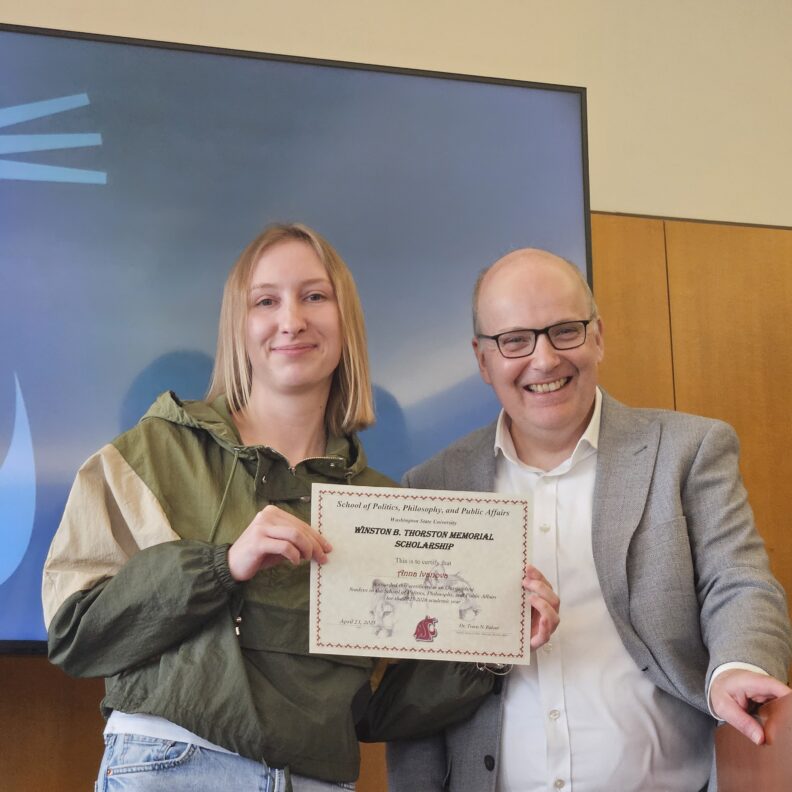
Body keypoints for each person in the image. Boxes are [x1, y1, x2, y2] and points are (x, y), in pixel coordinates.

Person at [41, 223, 513, 792]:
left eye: (315, 296)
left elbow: (368, 715)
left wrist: (492, 643)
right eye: (266, 300)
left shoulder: (383, 503)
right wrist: (221, 565)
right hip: (174, 765)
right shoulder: (151, 455)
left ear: (346, 323)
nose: (292, 320)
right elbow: (74, 634)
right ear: (239, 327)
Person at [387, 247, 792, 792]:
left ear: (598, 335)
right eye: (514, 340)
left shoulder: (687, 451)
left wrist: (736, 668)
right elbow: (418, 687)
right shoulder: (432, 487)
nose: (544, 359)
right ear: (483, 361)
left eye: (565, 330)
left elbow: (739, 583)